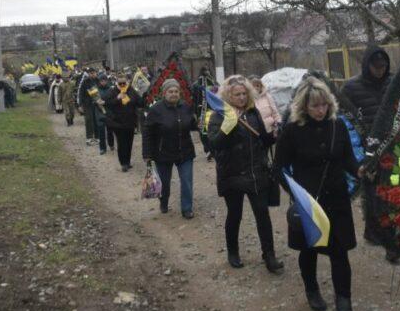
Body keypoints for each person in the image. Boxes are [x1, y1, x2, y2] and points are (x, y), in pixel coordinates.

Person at [273, 77, 366, 311]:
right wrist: (295, 194)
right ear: (304, 106)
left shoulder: (337, 126)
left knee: (340, 253)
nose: (320, 110)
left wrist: (358, 170)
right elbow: (278, 168)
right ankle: (311, 289)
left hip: (336, 199)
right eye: (315, 106)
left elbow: (347, 158)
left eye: (324, 105)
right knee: (309, 250)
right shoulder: (292, 130)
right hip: (308, 202)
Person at [207, 74, 282, 273]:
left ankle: (269, 255)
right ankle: (233, 252)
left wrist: (275, 135)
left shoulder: (253, 113)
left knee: (262, 214)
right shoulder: (218, 115)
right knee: (235, 215)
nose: (241, 97)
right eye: (236, 94)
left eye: (243, 94)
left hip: (255, 172)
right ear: (227, 96)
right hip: (231, 174)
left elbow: (263, 140)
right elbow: (213, 144)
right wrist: (227, 127)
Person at [340, 46, 398, 261]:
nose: (380, 70)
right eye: (376, 67)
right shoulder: (352, 88)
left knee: (391, 193)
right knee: (373, 191)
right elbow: (344, 116)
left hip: (392, 145)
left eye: (383, 66)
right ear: (367, 66)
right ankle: (374, 230)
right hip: (366, 148)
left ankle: (389, 240)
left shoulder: (394, 82)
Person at [142, 79, 197, 218]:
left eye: (176, 91)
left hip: (185, 151)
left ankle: (187, 209)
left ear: (180, 93)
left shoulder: (185, 107)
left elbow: (192, 125)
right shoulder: (156, 110)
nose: (174, 94)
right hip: (163, 153)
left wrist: (202, 123)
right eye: (170, 91)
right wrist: (147, 153)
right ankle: (164, 202)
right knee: (165, 183)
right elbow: (147, 132)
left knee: (186, 181)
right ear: (164, 93)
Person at [104, 72, 142, 171]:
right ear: (116, 82)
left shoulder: (131, 90)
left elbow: (139, 102)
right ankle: (123, 163)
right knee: (121, 143)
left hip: (130, 121)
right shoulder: (112, 91)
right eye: (120, 83)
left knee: (129, 142)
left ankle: (128, 161)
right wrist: (117, 98)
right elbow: (107, 103)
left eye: (123, 83)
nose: (122, 85)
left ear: (127, 81)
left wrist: (144, 96)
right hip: (118, 123)